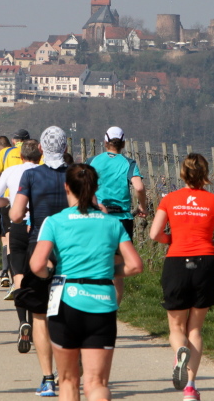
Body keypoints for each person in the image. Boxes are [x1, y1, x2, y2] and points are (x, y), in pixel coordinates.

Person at [30, 163, 144, 401]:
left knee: (68, 381)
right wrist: (108, 272)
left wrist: (51, 273)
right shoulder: (112, 223)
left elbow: (37, 264)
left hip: (65, 301)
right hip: (102, 301)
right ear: (95, 189)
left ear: (66, 187)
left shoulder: (54, 222)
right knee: (97, 383)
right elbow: (135, 265)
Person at [149, 153, 214, 400]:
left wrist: (172, 240)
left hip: (176, 262)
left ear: (183, 173)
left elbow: (154, 233)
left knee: (176, 327)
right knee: (195, 329)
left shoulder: (170, 199)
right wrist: (212, 242)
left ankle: (180, 351)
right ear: (205, 174)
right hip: (206, 263)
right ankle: (190, 388)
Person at [10, 126, 70, 397]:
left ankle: (47, 379)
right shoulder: (76, 174)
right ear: (65, 148)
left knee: (40, 315)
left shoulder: (31, 175)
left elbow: (15, 215)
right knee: (69, 312)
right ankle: (70, 370)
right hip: (70, 248)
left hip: (39, 247)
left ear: (42, 148)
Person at [0, 139, 42, 351]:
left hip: (17, 225)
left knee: (18, 274)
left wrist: (9, 202)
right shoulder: (45, 172)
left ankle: (22, 321)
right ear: (40, 155)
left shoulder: (11, 171)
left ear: (20, 156)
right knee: (37, 275)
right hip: (40, 227)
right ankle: (36, 323)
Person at [86, 126, 148, 304]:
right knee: (116, 270)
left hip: (97, 217)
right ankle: (112, 310)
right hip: (121, 220)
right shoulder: (128, 163)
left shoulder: (92, 161)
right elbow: (139, 187)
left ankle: (93, 305)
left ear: (105, 142)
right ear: (123, 143)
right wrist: (142, 206)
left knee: (94, 263)